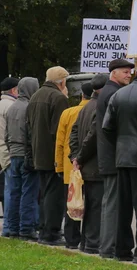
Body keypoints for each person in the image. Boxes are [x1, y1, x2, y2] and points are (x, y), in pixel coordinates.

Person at [103, 61, 137, 264]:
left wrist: (119, 144)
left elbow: (107, 127)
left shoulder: (119, 94)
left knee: (123, 207)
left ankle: (122, 249)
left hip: (122, 156)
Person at [27, 66, 69, 245]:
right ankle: (51, 233)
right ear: (62, 81)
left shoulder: (35, 96)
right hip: (53, 155)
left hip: (38, 152)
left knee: (44, 194)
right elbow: (59, 131)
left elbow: (28, 127)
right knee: (54, 196)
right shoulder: (59, 98)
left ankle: (44, 229)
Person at [96, 57, 134, 259]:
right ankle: (108, 248)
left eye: (130, 72)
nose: (129, 75)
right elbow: (111, 129)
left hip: (110, 155)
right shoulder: (113, 93)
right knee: (112, 204)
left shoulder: (108, 91)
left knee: (111, 203)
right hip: (113, 156)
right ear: (114, 73)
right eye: (125, 72)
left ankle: (110, 247)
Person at [69, 73, 108, 255]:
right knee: (96, 207)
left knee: (91, 205)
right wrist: (80, 157)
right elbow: (92, 137)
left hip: (85, 165)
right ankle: (93, 244)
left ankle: (86, 243)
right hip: (94, 165)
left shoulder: (85, 107)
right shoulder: (99, 107)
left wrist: (75, 157)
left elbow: (74, 133)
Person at [55, 80, 93, 250]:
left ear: (81, 95)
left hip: (70, 168)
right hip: (91, 167)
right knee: (91, 205)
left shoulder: (68, 113)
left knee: (71, 204)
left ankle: (71, 240)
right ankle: (88, 239)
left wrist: (59, 167)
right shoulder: (95, 110)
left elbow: (60, 142)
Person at [4, 77, 39, 240]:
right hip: (26, 153)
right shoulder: (29, 108)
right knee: (29, 193)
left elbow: (6, 135)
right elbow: (31, 134)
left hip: (14, 154)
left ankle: (12, 227)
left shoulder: (12, 107)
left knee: (14, 192)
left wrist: (11, 150)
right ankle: (26, 228)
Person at [0, 76, 19, 238]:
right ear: (14, 90)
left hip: (2, 152)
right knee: (11, 190)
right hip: (8, 152)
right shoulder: (12, 107)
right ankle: (9, 227)